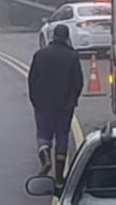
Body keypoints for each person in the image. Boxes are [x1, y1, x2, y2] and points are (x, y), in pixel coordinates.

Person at [28, 24, 83, 186]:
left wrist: (35, 100)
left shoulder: (40, 55)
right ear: (66, 37)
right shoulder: (72, 57)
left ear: (53, 36)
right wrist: (73, 99)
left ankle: (45, 157)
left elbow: (32, 79)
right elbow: (78, 82)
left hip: (43, 104)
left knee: (43, 134)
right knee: (62, 136)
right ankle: (59, 177)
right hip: (65, 105)